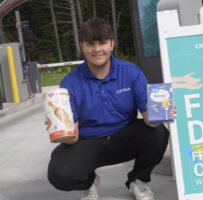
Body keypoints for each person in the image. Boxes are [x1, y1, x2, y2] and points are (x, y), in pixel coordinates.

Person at [47, 18, 170, 200]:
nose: (97, 49)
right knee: (59, 174)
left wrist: (162, 112)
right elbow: (72, 137)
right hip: (87, 141)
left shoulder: (131, 72)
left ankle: (138, 180)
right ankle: (88, 183)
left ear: (112, 44)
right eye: (90, 44)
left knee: (159, 133)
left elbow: (148, 118)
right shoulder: (69, 83)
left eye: (102, 43)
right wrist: (58, 129)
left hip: (123, 137)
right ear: (83, 46)